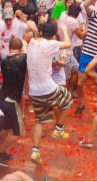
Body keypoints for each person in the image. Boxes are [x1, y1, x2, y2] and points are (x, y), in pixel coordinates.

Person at [27, 23, 73, 164]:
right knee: (68, 99)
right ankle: (58, 128)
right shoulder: (51, 44)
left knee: (40, 119)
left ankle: (35, 151)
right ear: (53, 36)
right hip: (47, 88)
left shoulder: (32, 42)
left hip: (33, 91)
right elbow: (67, 44)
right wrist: (65, 30)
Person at [0, 38, 27, 167]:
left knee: (6, 128)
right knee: (19, 133)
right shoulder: (22, 59)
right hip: (11, 101)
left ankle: (4, 152)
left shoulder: (5, 59)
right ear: (21, 48)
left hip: (2, 98)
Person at [58, 4, 88, 93]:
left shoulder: (63, 16)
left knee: (75, 69)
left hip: (63, 48)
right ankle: (64, 95)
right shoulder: (74, 21)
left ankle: (69, 91)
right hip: (65, 51)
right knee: (64, 77)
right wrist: (87, 26)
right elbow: (81, 36)